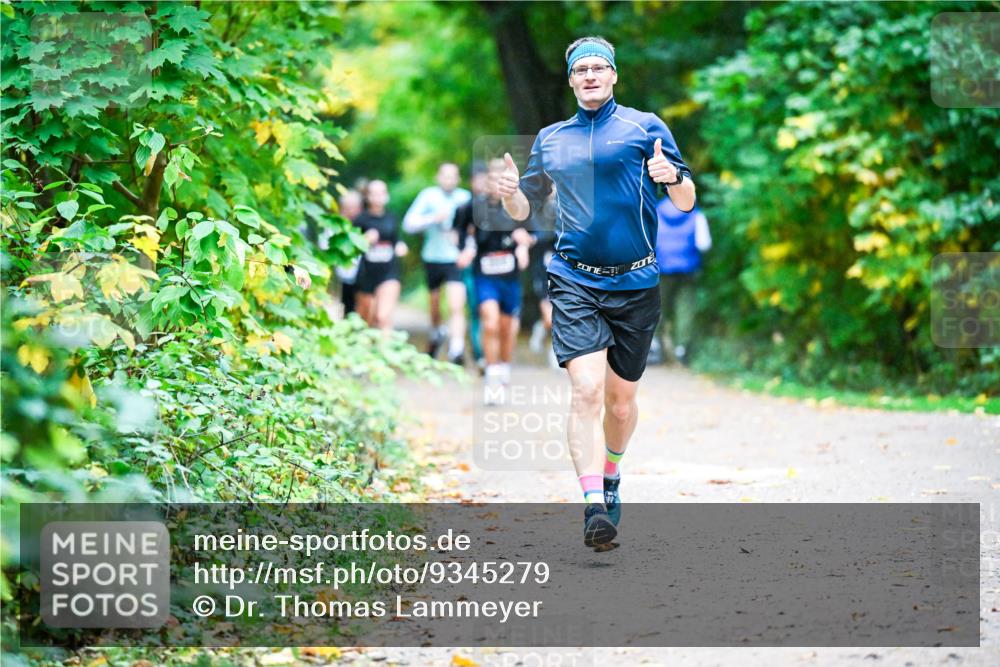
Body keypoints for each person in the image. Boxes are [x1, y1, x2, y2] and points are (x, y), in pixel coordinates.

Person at [498, 36, 696, 548]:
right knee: (585, 391)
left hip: (635, 280)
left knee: (621, 404)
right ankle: (592, 507)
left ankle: (612, 475)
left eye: (598, 68)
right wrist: (511, 194)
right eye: (580, 69)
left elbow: (687, 201)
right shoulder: (551, 138)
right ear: (570, 80)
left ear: (613, 76)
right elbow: (525, 208)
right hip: (573, 277)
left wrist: (670, 174)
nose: (589, 75)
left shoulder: (645, 127)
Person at [456, 158, 533, 405]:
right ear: (486, 179)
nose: (496, 181)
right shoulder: (472, 206)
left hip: (509, 276)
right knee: (489, 322)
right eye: (492, 177)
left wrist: (524, 246)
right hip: (484, 273)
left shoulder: (518, 205)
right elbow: (460, 233)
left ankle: (504, 367)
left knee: (507, 328)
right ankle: (492, 377)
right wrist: (465, 248)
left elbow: (531, 234)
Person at [403, 163, 472, 363]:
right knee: (434, 305)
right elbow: (409, 224)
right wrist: (433, 218)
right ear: (438, 177)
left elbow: (474, 230)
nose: (449, 180)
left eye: (453, 176)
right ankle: (437, 333)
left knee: (456, 305)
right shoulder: (428, 195)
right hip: (432, 258)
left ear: (458, 179)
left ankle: (456, 349)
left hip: (455, 259)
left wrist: (468, 249)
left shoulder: (465, 198)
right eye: (445, 176)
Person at [653, 197, 711, 366]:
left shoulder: (656, 210)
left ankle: (654, 345)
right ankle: (682, 348)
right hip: (688, 268)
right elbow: (704, 244)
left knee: (658, 305)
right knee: (685, 306)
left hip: (662, 267)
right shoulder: (695, 213)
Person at [355, 180, 407, 332]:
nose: (378, 197)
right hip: (367, 274)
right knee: (367, 318)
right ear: (368, 196)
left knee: (383, 316)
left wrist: (401, 246)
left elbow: (398, 240)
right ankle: (366, 351)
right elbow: (349, 248)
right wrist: (364, 240)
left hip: (389, 272)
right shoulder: (361, 219)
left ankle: (385, 352)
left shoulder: (392, 218)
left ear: (387, 196)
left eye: (382, 193)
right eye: (374, 193)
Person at [527, 187, 559, 368]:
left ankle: (556, 350)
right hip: (542, 270)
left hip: (564, 271)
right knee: (550, 318)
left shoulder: (571, 209)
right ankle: (543, 329)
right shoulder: (535, 212)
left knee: (559, 315)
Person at [333, 189, 364, 317]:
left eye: (354, 208)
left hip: (366, 275)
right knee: (348, 307)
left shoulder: (366, 224)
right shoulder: (334, 227)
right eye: (347, 208)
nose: (351, 212)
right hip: (346, 276)